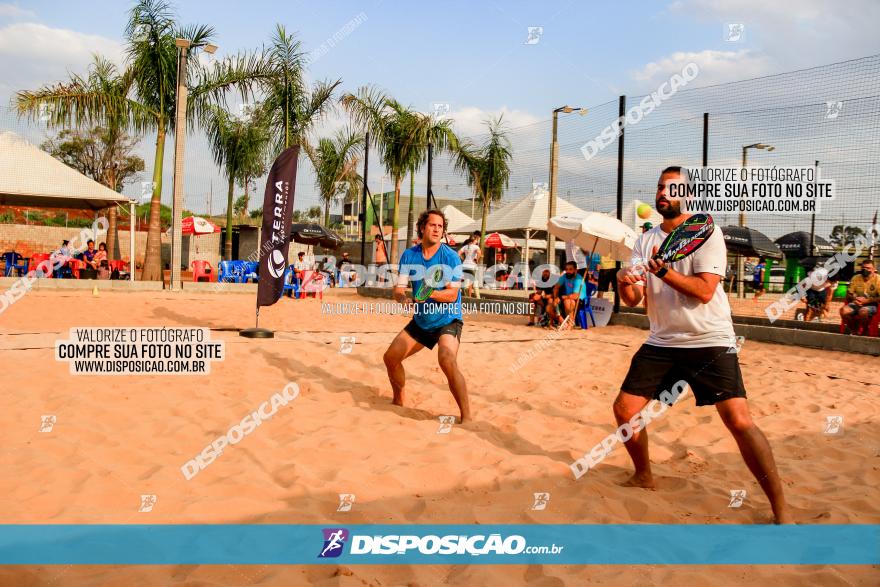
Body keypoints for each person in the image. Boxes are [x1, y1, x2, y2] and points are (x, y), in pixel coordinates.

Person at [614, 165, 791, 524]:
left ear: (688, 195)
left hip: (709, 340)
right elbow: (633, 300)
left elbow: (705, 292)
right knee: (624, 410)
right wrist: (623, 279)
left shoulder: (707, 234)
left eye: (673, 188)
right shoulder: (645, 240)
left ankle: (781, 509)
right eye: (661, 187)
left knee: (739, 422)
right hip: (662, 341)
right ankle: (644, 475)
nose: (664, 193)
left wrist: (664, 271)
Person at [384, 209, 471, 422]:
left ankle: (467, 417)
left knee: (447, 360)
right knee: (390, 358)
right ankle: (399, 399)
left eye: (440, 226)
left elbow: (452, 295)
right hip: (422, 321)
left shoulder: (450, 257)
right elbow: (399, 289)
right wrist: (402, 298)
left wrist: (429, 292)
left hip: (447, 320)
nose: (437, 229)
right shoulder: (409, 255)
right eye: (433, 225)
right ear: (422, 228)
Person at [840, 259, 880, 333]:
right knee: (843, 311)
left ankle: (864, 330)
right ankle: (855, 329)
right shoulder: (856, 278)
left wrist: (867, 300)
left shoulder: (878, 279)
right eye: (863, 268)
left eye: (868, 268)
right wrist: (854, 298)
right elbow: (849, 294)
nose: (865, 270)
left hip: (871, 304)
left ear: (874, 269)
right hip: (856, 303)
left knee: (863, 312)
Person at [553, 261, 587, 329]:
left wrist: (562, 297)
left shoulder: (578, 279)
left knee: (568, 301)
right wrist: (556, 297)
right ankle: (564, 322)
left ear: (575, 270)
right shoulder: (565, 276)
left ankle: (570, 323)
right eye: (567, 269)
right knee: (552, 304)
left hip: (580, 300)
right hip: (568, 299)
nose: (568, 271)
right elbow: (556, 287)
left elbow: (575, 296)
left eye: (570, 269)